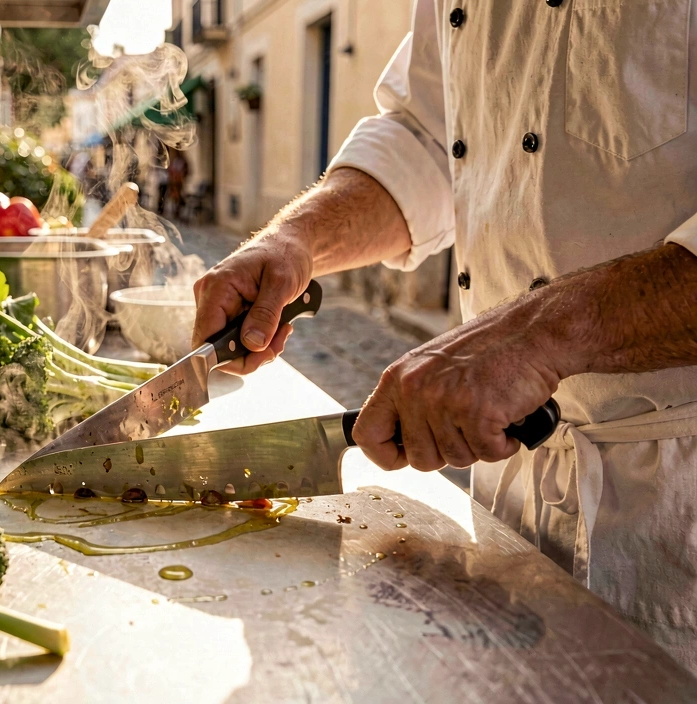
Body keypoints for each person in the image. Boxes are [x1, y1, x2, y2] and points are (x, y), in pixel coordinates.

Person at [192, 2, 697, 669]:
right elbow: (430, 137)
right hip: (516, 498)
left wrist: (541, 334)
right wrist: (299, 238)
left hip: (675, 517)